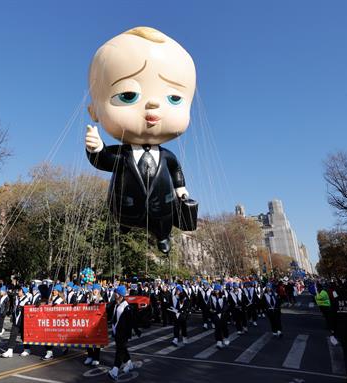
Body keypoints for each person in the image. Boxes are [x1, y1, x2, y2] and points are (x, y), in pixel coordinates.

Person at [84, 26, 197, 254]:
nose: (153, 104)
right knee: (125, 218)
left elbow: (176, 172)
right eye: (128, 95)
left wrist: (181, 189)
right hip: (126, 205)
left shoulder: (168, 157)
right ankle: (124, 227)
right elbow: (105, 161)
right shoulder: (122, 154)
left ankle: (163, 236)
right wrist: (96, 150)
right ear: (94, 110)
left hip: (162, 205)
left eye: (174, 98)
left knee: (162, 223)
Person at [108, 285, 136, 380]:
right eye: (115, 292)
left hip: (123, 334)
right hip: (117, 332)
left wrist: (134, 331)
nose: (115, 294)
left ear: (120, 295)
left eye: (116, 292)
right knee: (122, 349)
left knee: (119, 351)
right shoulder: (116, 304)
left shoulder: (126, 307)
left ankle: (115, 371)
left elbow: (130, 322)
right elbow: (108, 310)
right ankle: (129, 364)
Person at [42, 284, 64, 360]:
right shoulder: (50, 299)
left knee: (59, 337)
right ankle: (49, 352)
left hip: (57, 321)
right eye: (53, 290)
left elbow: (59, 308)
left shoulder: (60, 299)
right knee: (47, 336)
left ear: (58, 291)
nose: (54, 291)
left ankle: (64, 346)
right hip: (49, 320)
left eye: (55, 290)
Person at [84, 284, 104, 366]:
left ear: (99, 290)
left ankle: (96, 357)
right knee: (88, 339)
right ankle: (89, 355)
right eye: (94, 289)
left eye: (96, 289)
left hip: (97, 323)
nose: (95, 291)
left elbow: (103, 310)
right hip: (88, 321)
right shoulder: (88, 298)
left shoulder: (101, 299)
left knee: (96, 340)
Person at [209, 284, 230, 348]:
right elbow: (209, 305)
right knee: (217, 328)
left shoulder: (223, 296)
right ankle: (219, 341)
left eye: (217, 290)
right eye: (215, 290)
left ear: (220, 290)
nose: (216, 291)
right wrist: (211, 310)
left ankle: (226, 337)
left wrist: (223, 311)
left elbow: (226, 305)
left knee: (224, 327)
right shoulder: (211, 297)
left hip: (223, 314)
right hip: (215, 314)